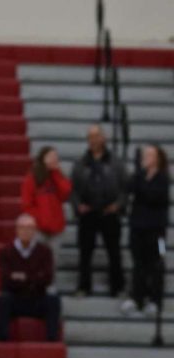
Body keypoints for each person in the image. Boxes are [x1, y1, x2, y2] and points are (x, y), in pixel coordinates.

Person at [71, 125, 126, 297]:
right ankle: (83, 286)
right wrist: (78, 205)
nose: (94, 139)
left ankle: (117, 287)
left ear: (104, 138)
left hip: (109, 211)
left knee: (114, 251)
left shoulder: (116, 162)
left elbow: (126, 187)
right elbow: (73, 190)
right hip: (88, 212)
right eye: (90, 136)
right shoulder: (80, 163)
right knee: (85, 252)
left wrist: (118, 205)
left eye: (97, 136)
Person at [0, 213, 61, 342]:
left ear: (35, 231)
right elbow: (6, 279)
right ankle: (3, 338)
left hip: (37, 298)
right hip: (15, 298)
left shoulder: (45, 251)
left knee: (53, 300)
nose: (26, 231)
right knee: (3, 300)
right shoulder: (6, 251)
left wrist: (21, 277)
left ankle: (52, 339)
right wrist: (34, 278)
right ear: (16, 230)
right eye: (22, 228)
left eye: (30, 228)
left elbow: (48, 278)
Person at [122, 145, 170, 317]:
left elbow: (152, 196)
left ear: (157, 158)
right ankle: (137, 297)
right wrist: (137, 172)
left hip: (158, 231)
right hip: (138, 227)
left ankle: (155, 299)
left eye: (149, 155)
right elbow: (128, 188)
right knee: (138, 263)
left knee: (157, 263)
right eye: (144, 155)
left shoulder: (163, 178)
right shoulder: (139, 175)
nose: (145, 157)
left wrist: (140, 186)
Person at [21, 146, 72, 267]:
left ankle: (51, 285)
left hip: (56, 229)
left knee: (52, 262)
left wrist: (56, 173)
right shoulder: (32, 178)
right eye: (51, 156)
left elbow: (66, 193)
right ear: (43, 158)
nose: (54, 159)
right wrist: (40, 220)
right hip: (39, 228)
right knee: (36, 261)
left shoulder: (58, 176)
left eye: (55, 157)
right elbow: (26, 204)